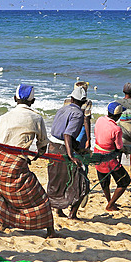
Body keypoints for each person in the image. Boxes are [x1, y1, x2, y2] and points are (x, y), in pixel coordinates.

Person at [0, 84, 59, 238]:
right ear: (32, 101)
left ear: (15, 99)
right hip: (17, 164)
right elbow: (42, 145)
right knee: (40, 198)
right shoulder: (36, 118)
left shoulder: (3, 117)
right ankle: (50, 231)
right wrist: (35, 156)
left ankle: (3, 222)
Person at [48, 84, 90, 219]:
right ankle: (72, 213)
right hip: (62, 149)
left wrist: (77, 147)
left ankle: (58, 210)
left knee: (56, 182)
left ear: (71, 99)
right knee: (82, 182)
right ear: (83, 102)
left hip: (52, 147)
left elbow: (61, 132)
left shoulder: (63, 109)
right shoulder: (78, 114)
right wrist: (71, 155)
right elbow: (67, 135)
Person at [92, 102, 131, 211]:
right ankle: (110, 205)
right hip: (109, 159)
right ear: (118, 116)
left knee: (104, 181)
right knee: (124, 181)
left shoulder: (100, 120)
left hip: (97, 154)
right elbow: (119, 147)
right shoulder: (116, 129)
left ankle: (109, 201)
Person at [116, 83, 131, 172]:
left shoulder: (118, 102)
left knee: (120, 147)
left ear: (123, 91)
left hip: (121, 128)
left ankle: (118, 164)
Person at [62, 80, 92, 150]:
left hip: (68, 125)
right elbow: (86, 119)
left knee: (69, 145)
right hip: (80, 127)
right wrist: (88, 139)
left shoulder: (66, 100)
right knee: (79, 148)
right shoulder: (87, 102)